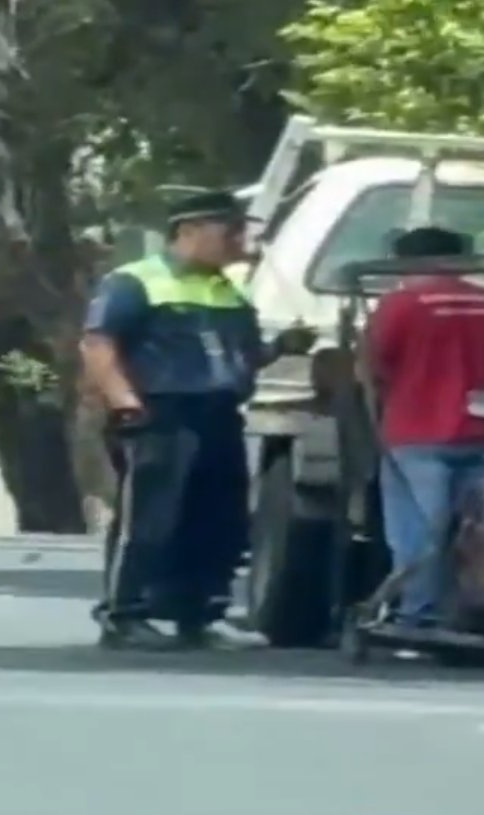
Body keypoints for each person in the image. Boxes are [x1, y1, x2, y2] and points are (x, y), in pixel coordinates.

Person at [80, 190, 315, 650]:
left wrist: (282, 348)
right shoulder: (135, 282)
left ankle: (198, 613)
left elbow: (239, 358)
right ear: (187, 231)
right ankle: (124, 613)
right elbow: (98, 345)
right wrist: (124, 402)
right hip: (159, 412)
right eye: (228, 229)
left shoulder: (227, 291)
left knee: (218, 520)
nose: (238, 240)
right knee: (149, 519)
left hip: (219, 414)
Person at [366, 226, 484, 629]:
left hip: (417, 435)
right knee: (479, 533)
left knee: (420, 534)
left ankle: (418, 617)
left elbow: (373, 367)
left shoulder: (401, 305)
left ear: (406, 263)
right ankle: (470, 617)